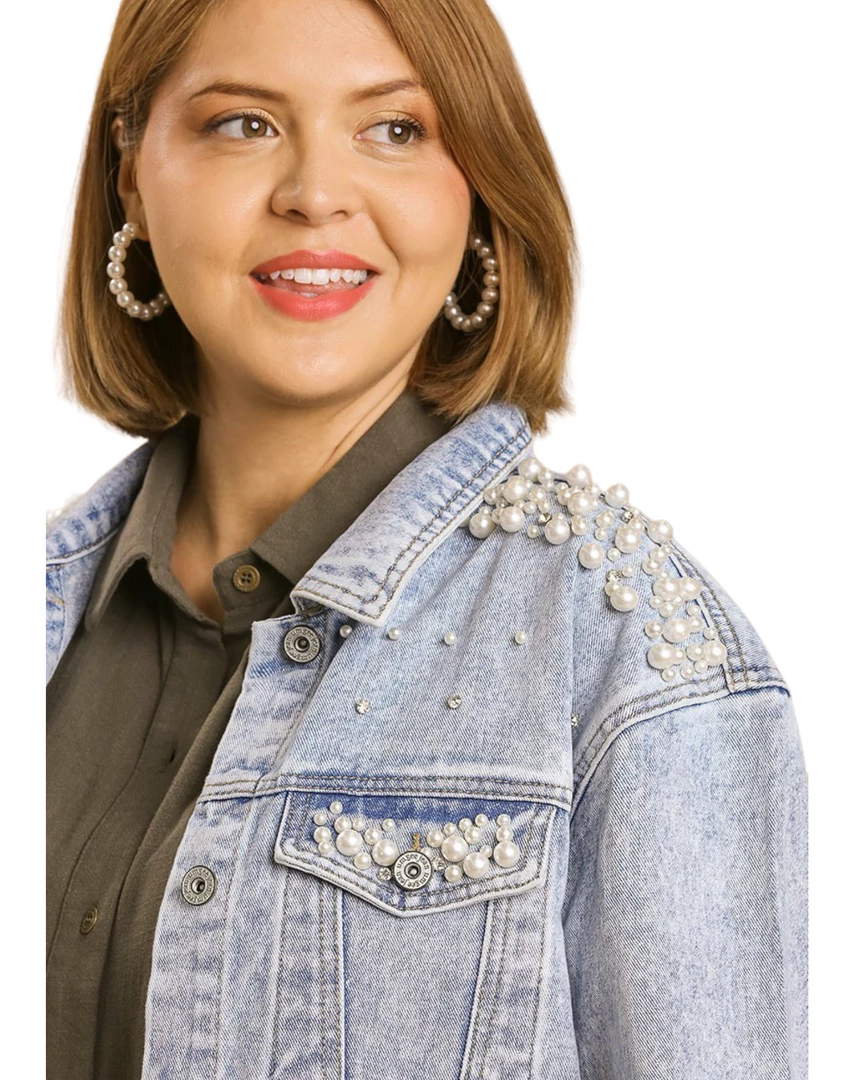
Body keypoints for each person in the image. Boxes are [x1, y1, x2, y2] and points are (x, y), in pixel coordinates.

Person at [45, 0, 808, 1077]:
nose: (315, 193)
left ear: (479, 189)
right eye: (243, 124)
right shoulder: (44, 612)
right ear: (131, 169)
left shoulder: (637, 656)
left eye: (395, 129)